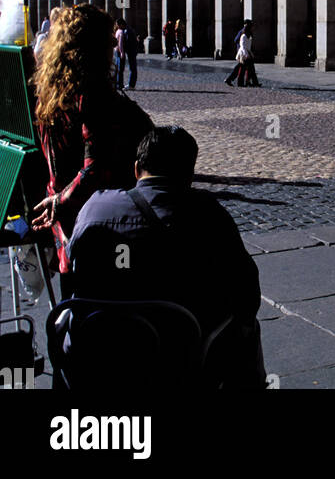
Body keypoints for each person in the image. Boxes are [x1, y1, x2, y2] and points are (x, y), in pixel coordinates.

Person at [66, 124, 264, 388]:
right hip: (177, 356)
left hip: (99, 351)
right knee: (247, 329)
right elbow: (246, 290)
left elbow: (72, 267)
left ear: (136, 169)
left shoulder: (96, 207)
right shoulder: (209, 215)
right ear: (189, 174)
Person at [30, 4, 153, 282]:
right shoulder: (91, 94)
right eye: (108, 39)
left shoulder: (50, 92)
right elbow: (94, 170)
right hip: (103, 223)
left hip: (70, 223)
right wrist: (60, 201)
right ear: (94, 46)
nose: (113, 44)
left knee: (76, 307)